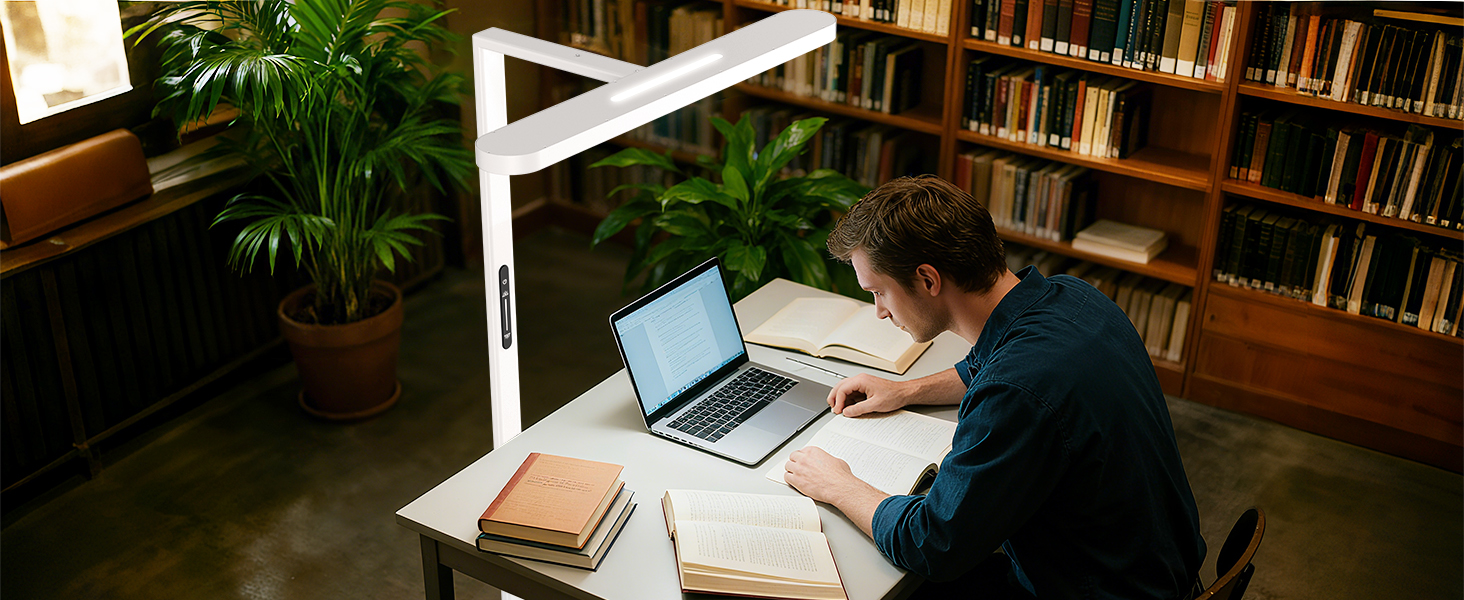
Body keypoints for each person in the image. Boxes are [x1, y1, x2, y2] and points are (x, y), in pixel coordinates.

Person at [782, 175, 1206, 600]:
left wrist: (837, 484)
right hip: (1160, 563)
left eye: (879, 293)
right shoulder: (1074, 297)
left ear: (928, 280)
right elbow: (985, 366)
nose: (879, 312)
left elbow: (933, 544)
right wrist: (905, 391)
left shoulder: (1015, 390)